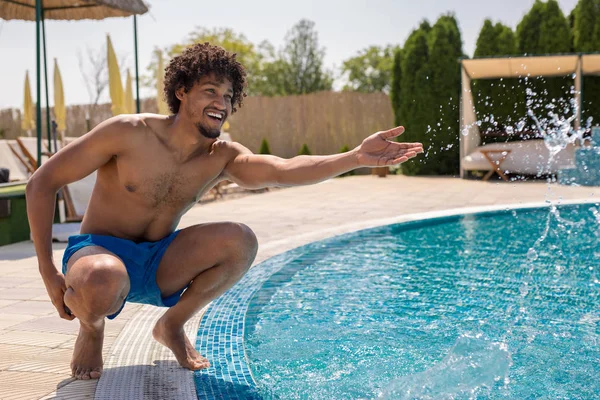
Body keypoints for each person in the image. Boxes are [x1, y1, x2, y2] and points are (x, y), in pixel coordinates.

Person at [26, 43, 423, 380]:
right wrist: (48, 270)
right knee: (102, 277)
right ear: (181, 92)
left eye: (229, 96)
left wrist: (354, 156)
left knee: (240, 240)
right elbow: (41, 183)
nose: (222, 103)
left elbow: (283, 170)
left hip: (158, 263)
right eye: (210, 91)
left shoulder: (221, 156)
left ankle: (172, 323)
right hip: (99, 255)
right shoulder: (129, 132)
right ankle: (92, 330)